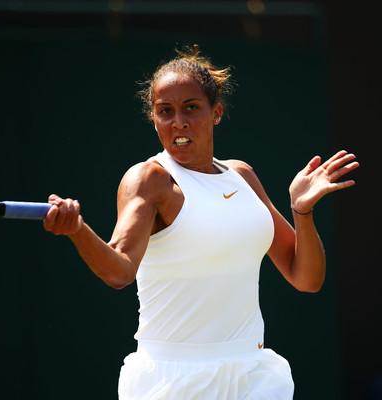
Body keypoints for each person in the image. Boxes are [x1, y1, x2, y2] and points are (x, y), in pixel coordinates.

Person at [43, 45, 359, 399]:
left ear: (216, 112)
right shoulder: (149, 180)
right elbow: (119, 271)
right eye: (165, 111)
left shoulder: (242, 176)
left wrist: (301, 211)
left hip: (253, 375)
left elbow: (307, 279)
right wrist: (78, 230)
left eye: (191, 107)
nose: (178, 121)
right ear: (154, 118)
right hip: (173, 382)